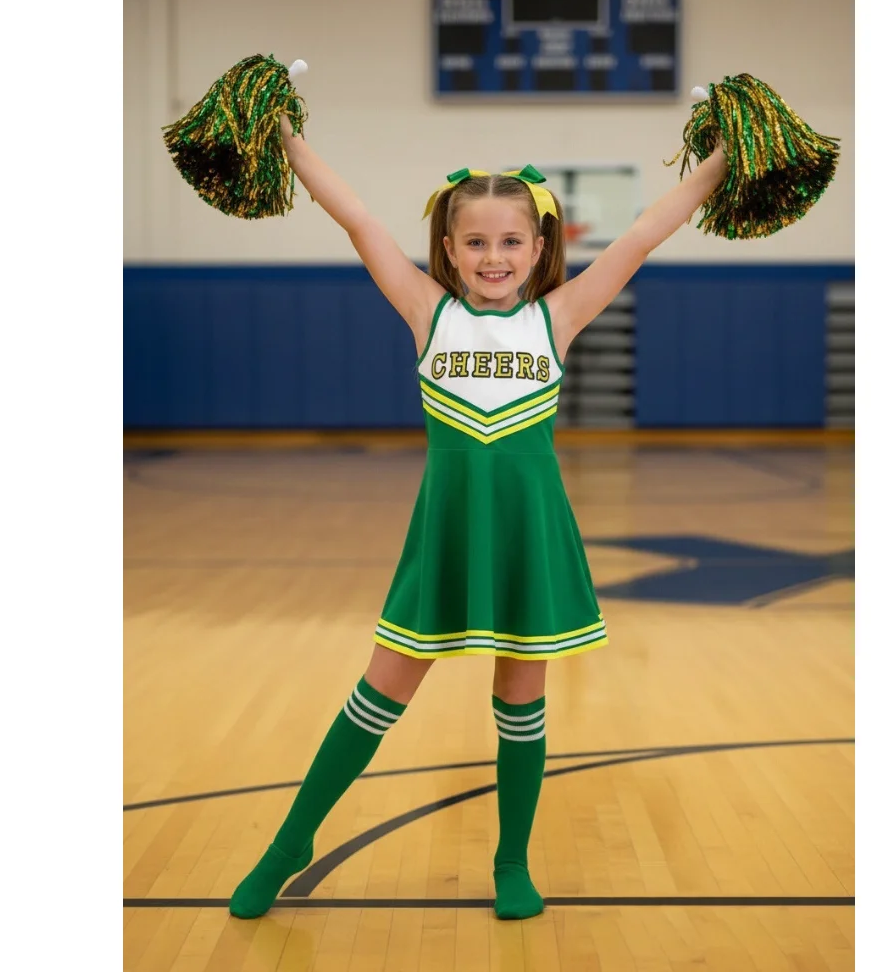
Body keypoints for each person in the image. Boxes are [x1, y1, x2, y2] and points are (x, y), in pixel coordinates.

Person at [229, 117, 728, 920]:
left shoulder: (556, 320)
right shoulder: (427, 312)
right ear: (449, 249)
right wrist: (285, 138)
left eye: (510, 242)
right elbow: (356, 216)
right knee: (377, 693)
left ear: (539, 249)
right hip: (447, 534)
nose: (493, 257)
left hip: (527, 537)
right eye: (475, 243)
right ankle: (291, 839)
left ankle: (510, 862)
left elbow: (642, 234)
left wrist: (720, 164)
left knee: (520, 701)